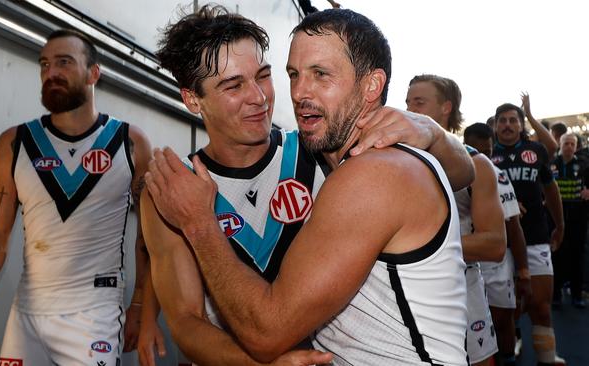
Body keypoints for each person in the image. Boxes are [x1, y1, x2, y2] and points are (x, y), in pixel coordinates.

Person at [146, 8, 470, 365]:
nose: (259, 97)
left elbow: (461, 171)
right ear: (193, 99)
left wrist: (432, 131)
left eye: (264, 76)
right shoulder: (175, 190)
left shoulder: (319, 148)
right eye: (234, 85)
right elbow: (184, 321)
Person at [0, 29, 152, 366]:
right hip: (27, 313)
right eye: (44, 65)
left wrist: (142, 305)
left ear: (93, 74)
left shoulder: (130, 142)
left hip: (95, 314)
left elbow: (150, 235)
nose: (51, 73)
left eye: (64, 63)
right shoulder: (15, 142)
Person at [406, 74, 506, 366]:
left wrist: (418, 248)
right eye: (407, 102)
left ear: (445, 107)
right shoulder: (398, 160)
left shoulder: (477, 163)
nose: (409, 109)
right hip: (411, 288)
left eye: (419, 102)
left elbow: (495, 244)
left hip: (462, 285)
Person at [492, 102, 566, 366]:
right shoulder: (484, 154)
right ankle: (513, 343)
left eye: (513, 120)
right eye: (502, 120)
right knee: (506, 312)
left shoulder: (535, 151)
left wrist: (559, 224)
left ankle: (547, 357)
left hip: (535, 236)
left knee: (541, 306)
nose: (508, 125)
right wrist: (505, 205)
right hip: (500, 242)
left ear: (521, 125)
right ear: (495, 125)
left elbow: (550, 188)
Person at [464, 122, 532, 366]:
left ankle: (508, 358)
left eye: (489, 152)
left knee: (503, 323)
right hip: (462, 270)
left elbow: (514, 226)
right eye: (478, 151)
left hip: (496, 266)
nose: (484, 157)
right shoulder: (444, 171)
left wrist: (524, 272)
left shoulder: (496, 174)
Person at [550, 133, 589, 308]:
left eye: (572, 144)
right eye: (566, 143)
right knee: (556, 255)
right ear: (560, 144)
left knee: (577, 256)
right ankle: (556, 295)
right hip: (555, 217)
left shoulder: (584, 164)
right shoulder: (551, 164)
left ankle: (576, 294)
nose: (569, 147)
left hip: (577, 217)